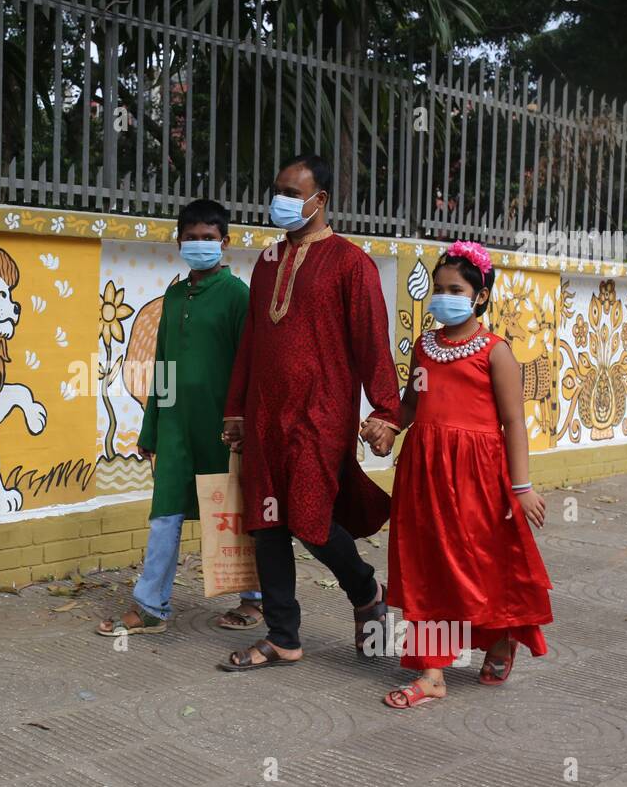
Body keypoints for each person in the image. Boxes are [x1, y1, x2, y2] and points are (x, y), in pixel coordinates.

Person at [218, 155, 401, 671]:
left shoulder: (350, 263)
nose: (282, 201)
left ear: (321, 200)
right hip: (264, 416)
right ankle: (282, 636)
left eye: (293, 193)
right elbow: (251, 342)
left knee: (309, 519)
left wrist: (386, 411)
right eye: (277, 190)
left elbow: (372, 343)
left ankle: (365, 589)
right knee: (267, 523)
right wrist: (237, 410)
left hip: (321, 415)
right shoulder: (268, 260)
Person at [369, 240, 553, 708]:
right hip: (423, 472)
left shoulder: (496, 353)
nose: (443, 296)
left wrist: (522, 487)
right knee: (427, 565)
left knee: (478, 565)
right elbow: (413, 404)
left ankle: (499, 636)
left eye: (455, 289)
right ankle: (431, 672)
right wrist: (390, 426)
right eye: (438, 288)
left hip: (477, 477)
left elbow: (514, 423)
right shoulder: (425, 349)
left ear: (480, 297)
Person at [97, 199, 263, 636]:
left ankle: (256, 600)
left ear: (225, 243)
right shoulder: (172, 295)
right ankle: (151, 607)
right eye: (191, 238)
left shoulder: (238, 296)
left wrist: (242, 420)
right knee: (165, 514)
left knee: (235, 513)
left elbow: (251, 366)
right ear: (178, 242)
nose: (199, 245)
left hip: (225, 430)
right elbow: (163, 366)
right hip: (173, 430)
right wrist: (151, 427)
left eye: (208, 239)